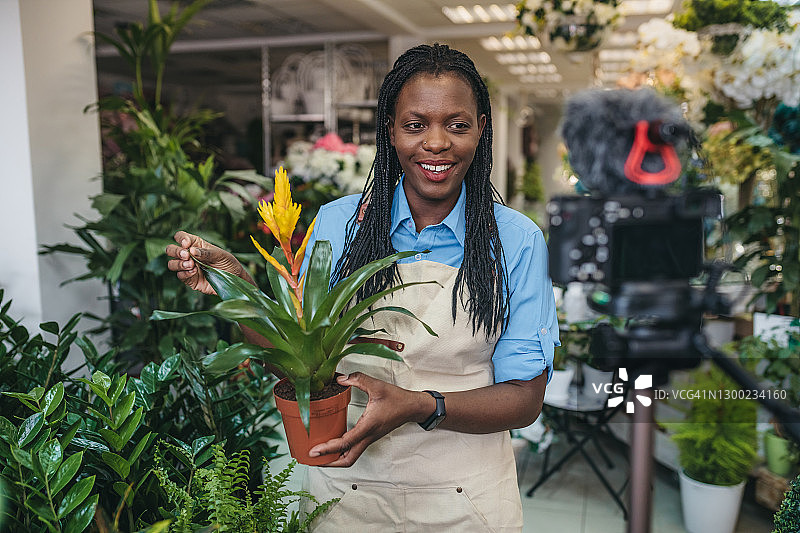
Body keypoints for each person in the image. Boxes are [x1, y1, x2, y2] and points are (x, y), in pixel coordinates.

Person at [166, 43, 559, 532]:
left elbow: (524, 399)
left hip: (466, 501)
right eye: (415, 125)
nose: (436, 143)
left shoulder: (517, 241)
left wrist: (420, 405)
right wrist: (237, 284)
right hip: (344, 498)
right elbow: (293, 357)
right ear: (390, 132)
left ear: (481, 128)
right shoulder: (339, 225)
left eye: (457, 125)